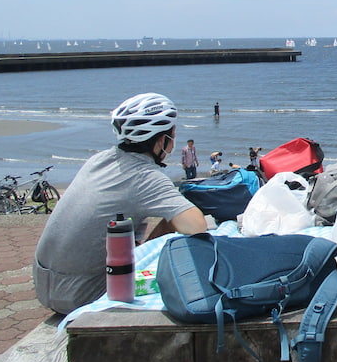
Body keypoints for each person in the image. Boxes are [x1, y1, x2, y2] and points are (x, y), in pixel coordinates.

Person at [33, 93, 208, 315]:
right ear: (162, 140)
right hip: (81, 293)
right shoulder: (145, 176)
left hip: (44, 283)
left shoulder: (98, 160)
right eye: (172, 134)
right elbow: (196, 227)